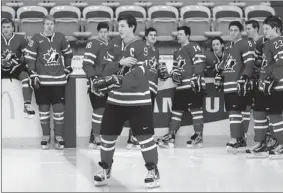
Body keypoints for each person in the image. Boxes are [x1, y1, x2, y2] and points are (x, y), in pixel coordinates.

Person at [91, 14, 160, 188]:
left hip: (138, 101)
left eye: (122, 26)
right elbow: (105, 69)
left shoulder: (143, 47)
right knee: (106, 137)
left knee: (145, 138)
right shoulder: (113, 44)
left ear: (132, 27)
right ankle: (105, 170)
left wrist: (118, 79)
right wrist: (120, 63)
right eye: (118, 26)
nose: (119, 29)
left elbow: (140, 74)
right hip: (115, 101)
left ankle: (153, 171)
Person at [24, 15, 73, 150]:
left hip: (58, 80)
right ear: (43, 25)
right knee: (44, 109)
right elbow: (29, 58)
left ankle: (58, 136)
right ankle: (46, 136)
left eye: (51, 24)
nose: (49, 26)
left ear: (54, 25)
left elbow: (68, 54)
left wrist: (68, 68)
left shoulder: (60, 37)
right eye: (47, 24)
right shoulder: (36, 39)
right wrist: (32, 73)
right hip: (42, 80)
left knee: (58, 109)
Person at [157, 26, 206, 149]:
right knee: (176, 111)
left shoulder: (193, 46)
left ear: (188, 35)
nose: (178, 36)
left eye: (181, 34)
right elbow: (175, 69)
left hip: (193, 84)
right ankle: (171, 137)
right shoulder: (177, 52)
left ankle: (198, 137)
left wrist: (196, 76)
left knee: (196, 110)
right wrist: (174, 75)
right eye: (177, 34)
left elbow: (199, 62)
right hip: (180, 86)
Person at [126, 27, 169, 149]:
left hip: (153, 86)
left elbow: (154, 67)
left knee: (147, 114)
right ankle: (133, 137)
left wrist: (162, 72)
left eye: (155, 35)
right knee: (138, 111)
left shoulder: (156, 51)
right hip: (142, 84)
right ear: (146, 37)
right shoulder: (140, 47)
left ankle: (143, 138)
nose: (153, 37)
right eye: (151, 35)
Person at [221, 21, 256, 153]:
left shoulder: (245, 43)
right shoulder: (227, 46)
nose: (233, 32)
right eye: (231, 30)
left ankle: (237, 139)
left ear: (241, 32)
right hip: (228, 85)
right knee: (233, 112)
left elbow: (249, 64)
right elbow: (226, 66)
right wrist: (220, 76)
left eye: (236, 30)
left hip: (239, 84)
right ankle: (239, 139)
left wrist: (244, 77)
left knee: (239, 112)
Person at [244, 19, 275, 157]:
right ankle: (260, 141)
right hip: (261, 81)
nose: (247, 31)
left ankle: (273, 140)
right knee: (258, 111)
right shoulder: (259, 42)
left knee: (274, 113)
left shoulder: (275, 41)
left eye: (249, 28)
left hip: (274, 82)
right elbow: (256, 63)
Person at [256, 16, 283, 158]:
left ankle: (281, 143)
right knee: (259, 112)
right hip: (264, 85)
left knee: (275, 114)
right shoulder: (268, 43)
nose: (264, 31)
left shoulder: (279, 41)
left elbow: (282, 62)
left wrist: (273, 79)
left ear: (276, 29)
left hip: (275, 86)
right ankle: (263, 142)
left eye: (267, 29)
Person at [82, 22, 109, 149]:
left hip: (109, 84)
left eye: (105, 32)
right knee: (99, 110)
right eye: (101, 32)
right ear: (98, 33)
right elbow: (87, 64)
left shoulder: (112, 46)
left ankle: (93, 138)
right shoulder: (94, 43)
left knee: (106, 113)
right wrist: (93, 79)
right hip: (97, 83)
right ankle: (97, 136)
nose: (103, 34)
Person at [1, 18, 35, 118]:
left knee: (25, 76)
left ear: (13, 28)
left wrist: (18, 59)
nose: (5, 29)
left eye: (8, 27)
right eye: (3, 27)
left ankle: (27, 105)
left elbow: (27, 56)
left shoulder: (21, 39)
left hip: (15, 67)